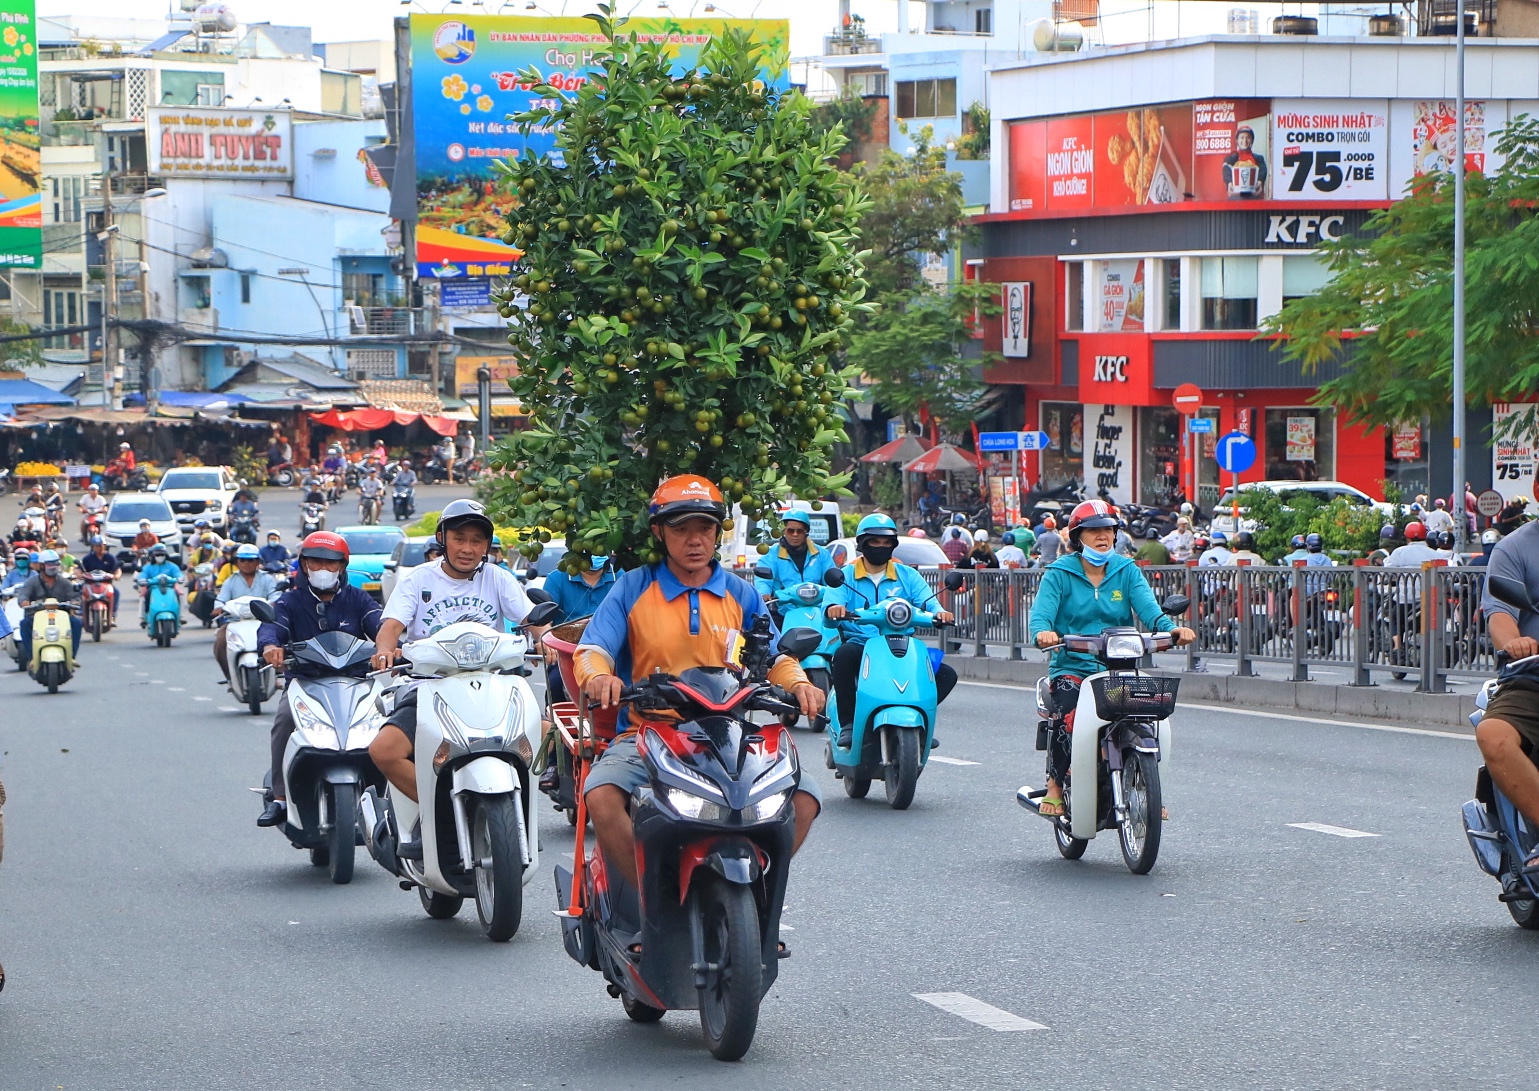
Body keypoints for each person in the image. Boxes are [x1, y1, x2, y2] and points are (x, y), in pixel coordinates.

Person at [574, 476, 824, 889]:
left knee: (805, 797)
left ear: (717, 533)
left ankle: (755, 892)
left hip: (729, 737)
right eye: (681, 529)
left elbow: (775, 655)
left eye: (704, 529)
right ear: (659, 532)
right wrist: (600, 677)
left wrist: (800, 685)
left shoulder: (741, 594)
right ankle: (647, 903)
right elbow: (593, 648)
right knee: (601, 796)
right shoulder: (633, 587)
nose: (694, 540)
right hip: (647, 733)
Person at [366, 500, 538, 852]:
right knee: (384, 751)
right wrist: (385, 649)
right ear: (442, 538)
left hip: (492, 686)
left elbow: (536, 620)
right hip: (429, 687)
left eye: (477, 541)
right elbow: (391, 626)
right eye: (460, 538)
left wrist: (547, 640)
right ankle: (438, 811)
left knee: (548, 735)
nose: (468, 548)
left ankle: (518, 817)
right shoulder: (418, 579)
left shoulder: (498, 578)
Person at [1028, 500, 1195, 817]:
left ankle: (1148, 785)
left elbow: (1150, 611)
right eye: (1093, 531)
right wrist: (1043, 633)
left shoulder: (1126, 570)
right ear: (1079, 537)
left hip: (1118, 669)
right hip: (1072, 667)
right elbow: (1040, 617)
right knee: (1069, 715)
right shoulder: (1058, 574)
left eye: (1108, 529)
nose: (1102, 536)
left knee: (1149, 715)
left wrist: (1171, 630)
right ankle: (1054, 786)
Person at [255, 532, 384, 827]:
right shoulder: (289, 601)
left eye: (331, 563)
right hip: (305, 683)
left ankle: (401, 798)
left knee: (393, 724)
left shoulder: (359, 599)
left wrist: (390, 646)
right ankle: (280, 798)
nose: (323, 568)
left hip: (357, 683)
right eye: (316, 561)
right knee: (283, 723)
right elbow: (272, 625)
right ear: (303, 564)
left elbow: (380, 626)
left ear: (343, 566)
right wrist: (270, 647)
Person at [825, 513, 955, 749]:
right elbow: (831, 608)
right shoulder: (845, 576)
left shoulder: (908, 575)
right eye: (875, 542)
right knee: (843, 656)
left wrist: (940, 613)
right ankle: (849, 724)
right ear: (863, 544)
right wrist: (835, 610)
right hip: (862, 644)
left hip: (900, 645)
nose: (881, 547)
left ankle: (920, 721)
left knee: (946, 674)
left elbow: (929, 603)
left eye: (887, 542)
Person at [1475, 517, 1539, 860]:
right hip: (1533, 677)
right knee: (1494, 734)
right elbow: (1499, 613)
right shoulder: (1514, 548)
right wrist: (1516, 644)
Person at [541, 552, 619, 703]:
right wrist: (543, 640)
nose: (594, 554)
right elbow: (543, 619)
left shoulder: (621, 577)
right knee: (555, 684)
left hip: (612, 652)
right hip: (567, 654)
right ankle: (554, 724)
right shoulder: (557, 578)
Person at [213, 544, 279, 685]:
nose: (246, 563)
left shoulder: (267, 579)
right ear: (237, 562)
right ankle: (230, 677)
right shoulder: (230, 581)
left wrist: (274, 604)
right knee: (220, 641)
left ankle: (276, 675)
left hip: (263, 621)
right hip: (235, 622)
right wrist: (218, 608)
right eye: (242, 560)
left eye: (251, 560)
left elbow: (275, 596)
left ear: (257, 562)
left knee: (281, 638)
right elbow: (220, 600)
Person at [753, 507, 835, 604]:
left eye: (799, 531)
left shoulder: (822, 554)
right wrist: (763, 594)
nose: (795, 534)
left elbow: (832, 582)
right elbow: (763, 581)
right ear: (784, 532)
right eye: (790, 531)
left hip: (816, 611)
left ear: (806, 532)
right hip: (782, 611)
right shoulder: (770, 555)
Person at [16, 549, 82, 665]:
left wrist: (75, 602)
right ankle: (32, 658)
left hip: (60, 617)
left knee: (76, 623)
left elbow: (75, 596)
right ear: (41, 566)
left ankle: (71, 656)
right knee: (24, 624)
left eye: (56, 564)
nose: (53, 567)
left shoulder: (64, 582)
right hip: (37, 617)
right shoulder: (32, 582)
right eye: (50, 564)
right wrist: (24, 602)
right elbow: (23, 595)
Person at [136, 544, 183, 626]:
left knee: (180, 595)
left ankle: (180, 617)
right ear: (153, 556)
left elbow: (178, 574)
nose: (160, 556)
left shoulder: (172, 566)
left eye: (162, 555)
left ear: (166, 555)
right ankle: (143, 618)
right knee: (143, 596)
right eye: (157, 555)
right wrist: (142, 580)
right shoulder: (148, 567)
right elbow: (142, 575)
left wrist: (179, 578)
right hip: (153, 588)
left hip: (170, 588)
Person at [78, 536, 121, 619]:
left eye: (101, 545)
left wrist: (116, 576)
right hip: (90, 583)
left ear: (104, 546)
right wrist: (79, 574)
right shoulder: (87, 558)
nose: (99, 548)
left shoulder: (110, 558)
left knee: (116, 592)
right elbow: (79, 569)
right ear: (93, 547)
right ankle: (82, 610)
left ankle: (113, 613)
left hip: (106, 583)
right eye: (96, 546)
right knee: (81, 590)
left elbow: (117, 570)